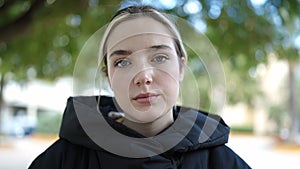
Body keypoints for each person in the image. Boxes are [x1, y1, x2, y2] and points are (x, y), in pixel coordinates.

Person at [28, 5, 251, 169]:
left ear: (182, 68)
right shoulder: (63, 160)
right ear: (109, 77)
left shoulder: (222, 162)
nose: (143, 76)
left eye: (160, 57)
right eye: (122, 62)